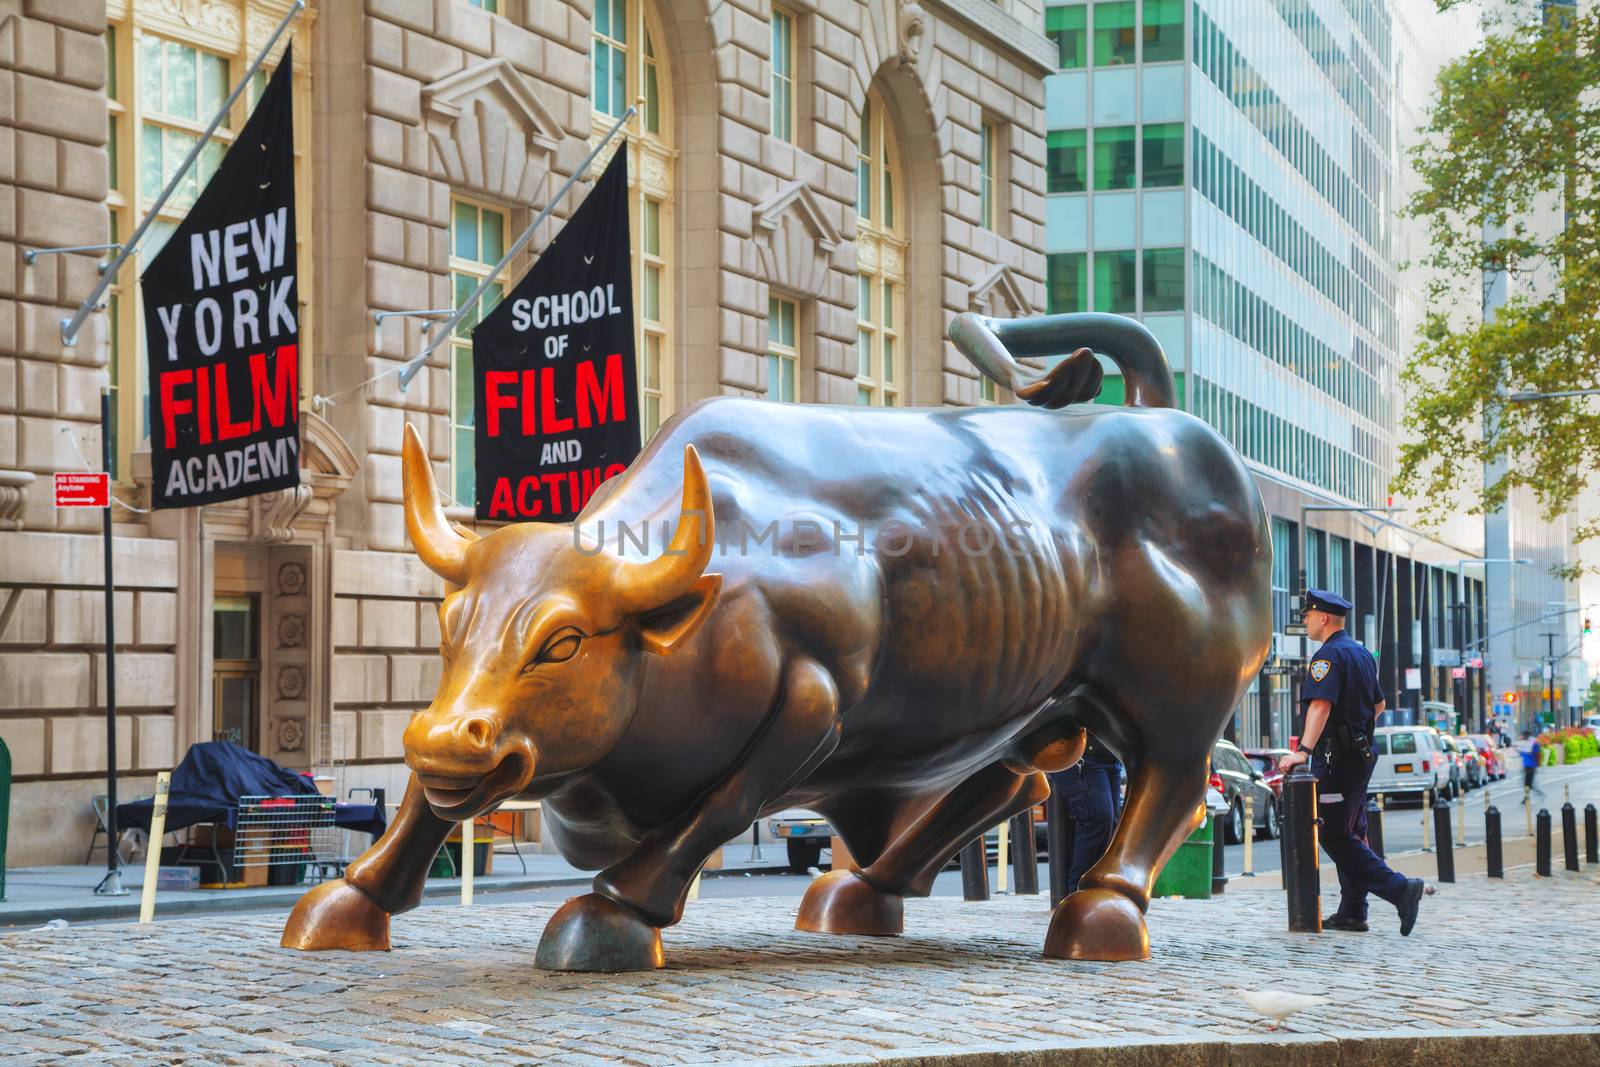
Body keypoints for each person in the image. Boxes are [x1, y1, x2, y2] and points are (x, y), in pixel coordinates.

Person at [1278, 589, 1424, 936]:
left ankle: (1400, 889)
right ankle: (1354, 911)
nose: (1307, 621)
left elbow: (1320, 706)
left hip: (1335, 759)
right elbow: (1379, 705)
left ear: (1323, 618)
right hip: (1359, 755)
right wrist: (1356, 730)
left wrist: (1304, 751)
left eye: (1309, 615)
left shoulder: (1326, 658)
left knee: (1334, 833)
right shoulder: (1360, 653)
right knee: (1354, 830)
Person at [1049, 732, 1123, 895]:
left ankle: (1095, 890)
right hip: (1079, 754)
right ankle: (1078, 893)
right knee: (1099, 818)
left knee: (1112, 824)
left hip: (1109, 754)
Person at [1517, 732, 1544, 799]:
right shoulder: (1525, 744)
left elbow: (1538, 754)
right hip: (1526, 766)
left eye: (1524, 735)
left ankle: (1527, 797)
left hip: (1531, 766)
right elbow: (1522, 753)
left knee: (1527, 783)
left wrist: (1538, 763)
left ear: (1527, 736)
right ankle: (1531, 794)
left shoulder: (1533, 744)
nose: (1523, 737)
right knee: (1528, 783)